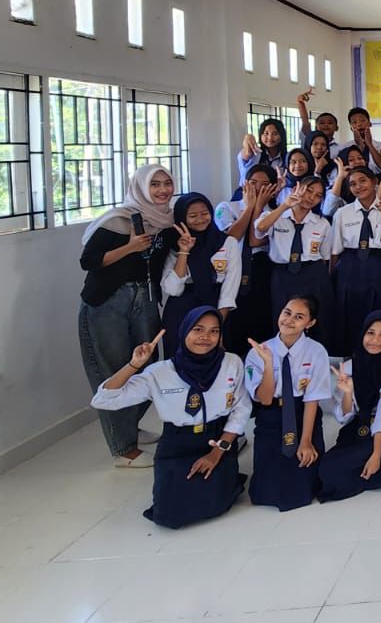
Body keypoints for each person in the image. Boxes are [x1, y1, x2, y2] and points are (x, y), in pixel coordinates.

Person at [91, 307, 250, 527]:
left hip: (216, 439)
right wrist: (134, 365)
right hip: (177, 443)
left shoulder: (231, 363)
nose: (206, 336)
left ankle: (225, 476)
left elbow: (241, 408)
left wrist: (216, 453)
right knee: (168, 514)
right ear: (184, 332)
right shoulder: (160, 372)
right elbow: (103, 400)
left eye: (214, 331)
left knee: (215, 503)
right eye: (198, 329)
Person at [78, 164, 176, 468]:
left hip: (145, 297)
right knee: (113, 369)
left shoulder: (166, 221)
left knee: (147, 364)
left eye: (167, 183)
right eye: (155, 184)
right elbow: (89, 260)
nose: (162, 190)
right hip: (109, 300)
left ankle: (129, 426)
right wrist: (130, 247)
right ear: (141, 187)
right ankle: (123, 448)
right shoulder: (119, 220)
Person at [319, 312, 381, 500]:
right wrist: (348, 392)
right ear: (363, 334)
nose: (375, 340)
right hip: (355, 426)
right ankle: (371, 473)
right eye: (370, 333)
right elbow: (343, 417)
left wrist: (376, 454)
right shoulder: (348, 367)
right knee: (327, 468)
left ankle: (364, 468)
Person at [245, 295, 332, 510]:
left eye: (299, 317)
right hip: (271, 416)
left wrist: (306, 441)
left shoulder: (316, 351)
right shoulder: (259, 352)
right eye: (287, 313)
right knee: (266, 488)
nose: (289, 320)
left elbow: (312, 400)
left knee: (302, 482)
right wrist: (268, 364)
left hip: (303, 415)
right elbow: (265, 399)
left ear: (310, 323)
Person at [257, 175, 339, 354]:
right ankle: (282, 355)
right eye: (309, 190)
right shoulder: (276, 216)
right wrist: (285, 205)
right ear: (296, 188)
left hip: (313, 272)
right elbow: (260, 228)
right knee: (283, 315)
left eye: (318, 195)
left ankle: (316, 356)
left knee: (317, 317)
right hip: (283, 273)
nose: (312, 197)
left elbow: (325, 257)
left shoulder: (321, 223)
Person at [159, 192, 240, 357]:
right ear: (182, 218)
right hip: (181, 311)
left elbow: (230, 289)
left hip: (216, 308)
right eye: (193, 216)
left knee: (214, 361)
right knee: (178, 361)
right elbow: (173, 290)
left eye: (205, 213)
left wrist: (217, 326)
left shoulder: (227, 243)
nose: (201, 219)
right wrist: (184, 251)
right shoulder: (174, 246)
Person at [329, 169, 381, 352]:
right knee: (348, 312)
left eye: (363, 181)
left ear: (374, 182)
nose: (358, 187)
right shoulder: (342, 213)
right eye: (353, 184)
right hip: (350, 267)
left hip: (379, 265)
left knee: (379, 311)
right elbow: (335, 250)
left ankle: (378, 353)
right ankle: (349, 355)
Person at [216, 165, 279, 349]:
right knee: (234, 319)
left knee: (261, 317)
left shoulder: (275, 213)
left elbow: (255, 241)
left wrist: (258, 207)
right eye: (253, 182)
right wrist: (250, 207)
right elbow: (232, 236)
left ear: (273, 188)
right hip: (233, 267)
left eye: (265, 184)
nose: (258, 188)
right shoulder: (226, 207)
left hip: (262, 267)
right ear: (244, 184)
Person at [238, 118, 287, 183]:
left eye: (275, 133)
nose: (270, 137)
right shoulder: (255, 153)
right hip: (248, 189)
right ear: (260, 135)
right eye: (266, 133)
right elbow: (247, 153)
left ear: (281, 136)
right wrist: (248, 138)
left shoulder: (286, 157)